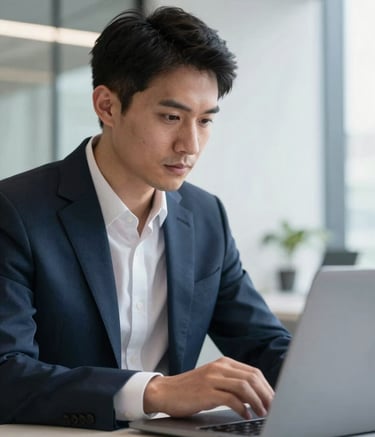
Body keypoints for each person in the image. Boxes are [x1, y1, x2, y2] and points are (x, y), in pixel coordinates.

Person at [0, 6, 291, 431]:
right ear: (107, 106)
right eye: (171, 117)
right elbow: (7, 373)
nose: (190, 144)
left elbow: (264, 344)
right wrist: (155, 391)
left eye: (205, 121)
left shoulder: (205, 216)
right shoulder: (17, 211)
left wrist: (336, 376)